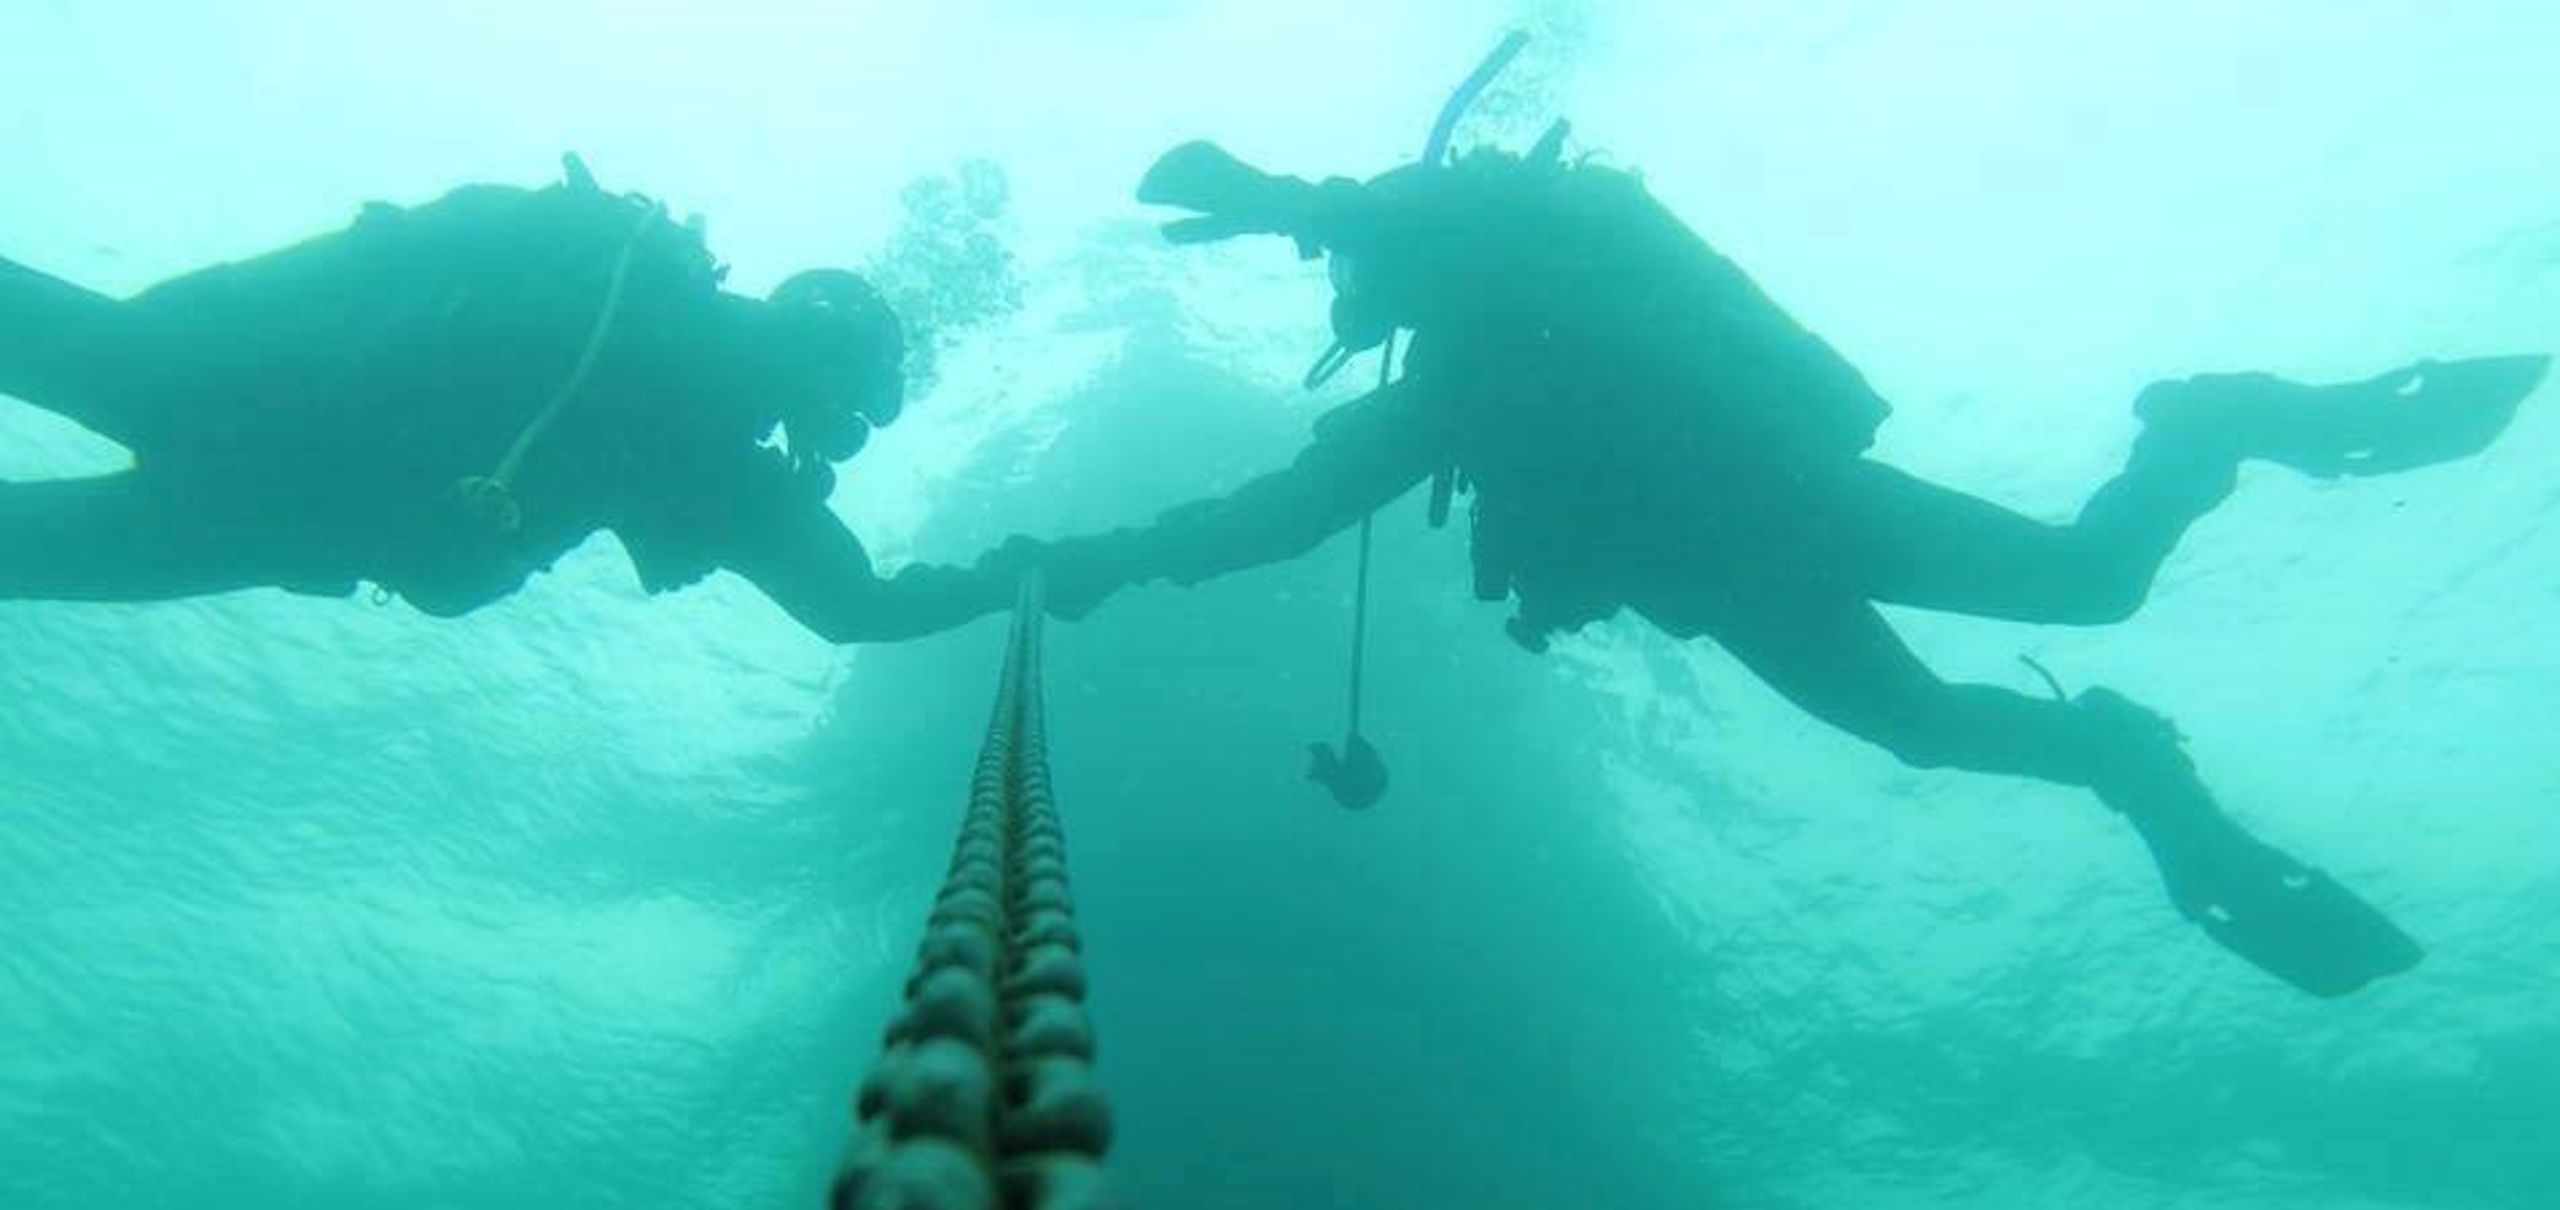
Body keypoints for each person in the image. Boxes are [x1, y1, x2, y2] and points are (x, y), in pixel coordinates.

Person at [999, 134, 2549, 998]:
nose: (1351, 289)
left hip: (1787, 505)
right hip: (1747, 575)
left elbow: (1465, 237)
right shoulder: (1445, 393)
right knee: (1934, 720)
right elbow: (1275, 514)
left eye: (1356, 265)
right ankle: (2118, 749)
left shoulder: (1523, 288)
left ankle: (2207, 427)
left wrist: (1301, 199)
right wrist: (1096, 563)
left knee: (2088, 589)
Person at [0, 155, 1007, 640]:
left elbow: (853, 610)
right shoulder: (704, 439)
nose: (838, 418)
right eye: (859, 395)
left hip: (249, 414)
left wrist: (1128, 558)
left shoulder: (650, 328)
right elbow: (856, 609)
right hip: (276, 484)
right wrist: (1106, 563)